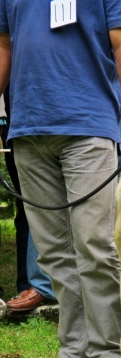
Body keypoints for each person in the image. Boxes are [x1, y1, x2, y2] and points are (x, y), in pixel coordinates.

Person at [0, 0, 121, 358]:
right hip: (27, 124)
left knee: (96, 245)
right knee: (54, 252)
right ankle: (75, 353)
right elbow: (4, 45)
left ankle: (109, 354)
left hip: (88, 125)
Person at [2, 86, 57, 312]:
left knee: (88, 217)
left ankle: (90, 289)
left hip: (85, 118)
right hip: (24, 122)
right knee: (31, 206)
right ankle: (37, 286)